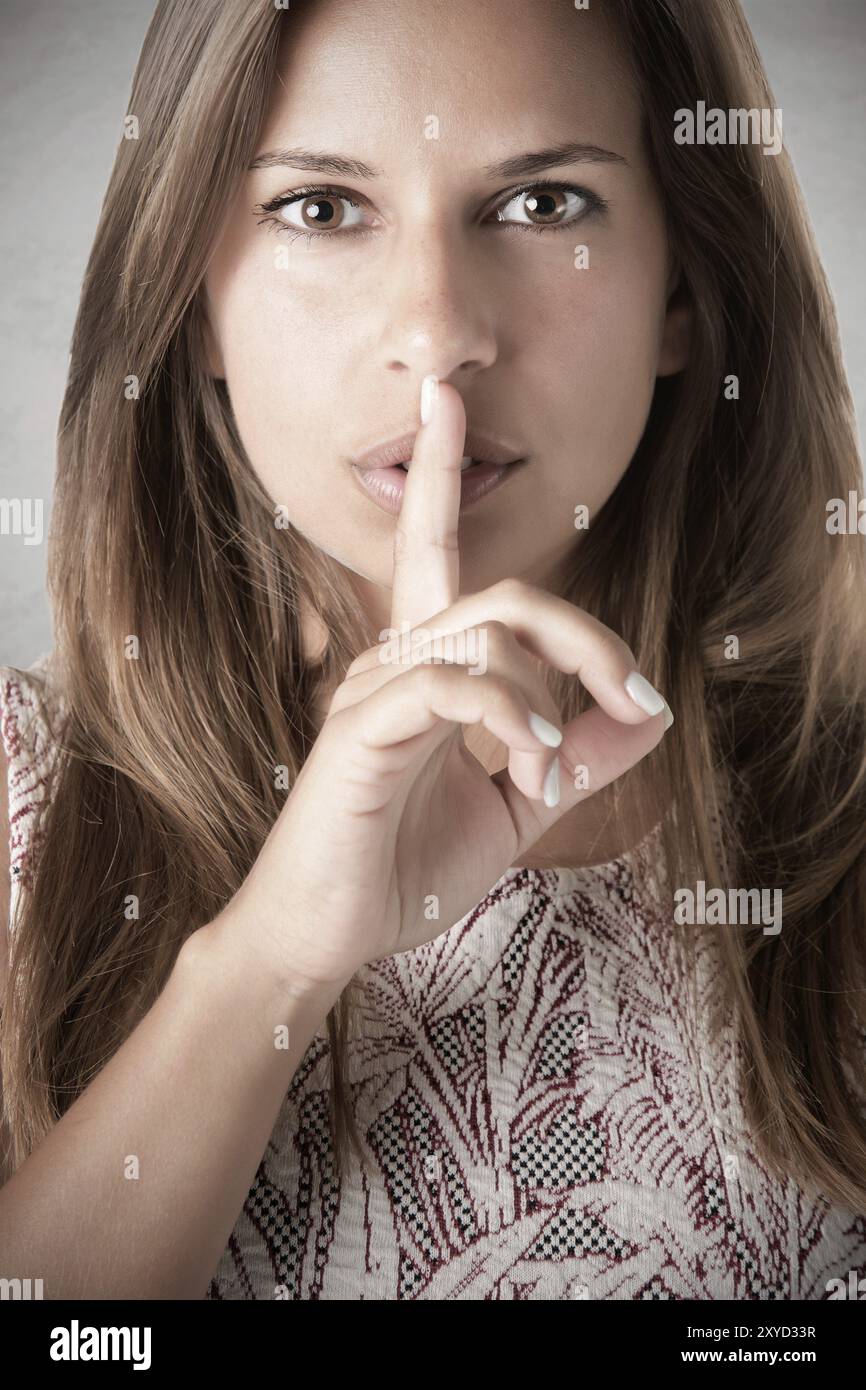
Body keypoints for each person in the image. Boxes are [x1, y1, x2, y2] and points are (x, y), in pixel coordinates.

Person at [1, 0, 865, 1300]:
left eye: (543, 205)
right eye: (320, 209)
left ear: (682, 287)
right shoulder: (20, 801)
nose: (440, 329)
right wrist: (271, 957)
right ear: (191, 298)